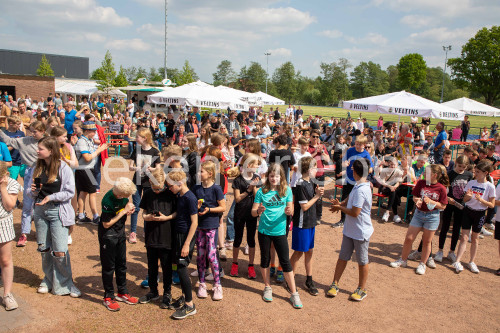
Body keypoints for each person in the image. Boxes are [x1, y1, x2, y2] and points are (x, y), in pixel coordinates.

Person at [29, 136, 81, 297]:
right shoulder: (36, 167)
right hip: (40, 211)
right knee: (44, 249)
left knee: (60, 250)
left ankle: (66, 283)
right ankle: (48, 280)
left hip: (58, 211)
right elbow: (29, 193)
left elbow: (69, 192)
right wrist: (33, 191)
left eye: (40, 149)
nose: (37, 151)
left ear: (51, 151)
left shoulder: (63, 168)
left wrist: (50, 197)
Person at [251, 163, 302, 309]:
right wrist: (258, 210)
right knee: (265, 259)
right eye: (272, 176)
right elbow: (253, 212)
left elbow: (291, 209)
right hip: (264, 231)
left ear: (282, 177)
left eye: (277, 176)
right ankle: (267, 287)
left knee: (285, 261)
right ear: (268, 176)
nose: (274, 178)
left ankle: (294, 293)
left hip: (280, 231)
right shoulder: (261, 191)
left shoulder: (286, 191)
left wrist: (289, 211)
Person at [390, 164, 449, 275]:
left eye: (427, 173)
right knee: (409, 238)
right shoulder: (421, 183)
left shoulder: (441, 188)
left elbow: (443, 206)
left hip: (432, 216)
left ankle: (422, 264)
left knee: (427, 242)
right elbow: (415, 196)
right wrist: (417, 200)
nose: (424, 174)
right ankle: (403, 260)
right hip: (418, 214)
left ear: (434, 175)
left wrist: (431, 202)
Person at [328, 158, 373, 301]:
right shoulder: (359, 184)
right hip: (350, 230)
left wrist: (339, 208)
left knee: (362, 261)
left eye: (353, 169)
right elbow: (349, 198)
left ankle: (362, 289)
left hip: (360, 232)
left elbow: (355, 213)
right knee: (342, 257)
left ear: (356, 172)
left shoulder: (362, 190)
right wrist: (341, 203)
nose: (351, 171)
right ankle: (335, 283)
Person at [0, 121, 45, 247]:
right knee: (27, 203)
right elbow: (8, 140)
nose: (32, 133)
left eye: (35, 131)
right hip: (30, 172)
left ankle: (41, 232)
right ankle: (24, 233)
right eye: (31, 130)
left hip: (42, 173)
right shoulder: (24, 140)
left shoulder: (47, 142)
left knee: (40, 202)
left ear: (42, 131)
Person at [138, 168, 177, 307]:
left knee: (166, 267)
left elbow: (177, 213)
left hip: (166, 236)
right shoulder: (148, 193)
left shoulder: (170, 194)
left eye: (159, 188)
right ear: (150, 182)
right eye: (154, 188)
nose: (157, 191)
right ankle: (153, 291)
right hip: (151, 235)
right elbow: (143, 212)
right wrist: (146, 217)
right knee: (152, 266)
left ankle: (167, 293)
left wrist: (167, 217)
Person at [99, 177, 138, 311]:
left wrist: (129, 210)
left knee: (122, 264)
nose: (128, 198)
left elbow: (124, 209)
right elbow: (106, 223)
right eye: (126, 196)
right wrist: (123, 212)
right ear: (120, 194)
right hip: (108, 236)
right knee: (109, 267)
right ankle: (108, 297)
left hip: (120, 233)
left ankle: (122, 292)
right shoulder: (107, 200)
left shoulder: (124, 197)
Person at [453, 160, 495, 274]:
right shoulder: (471, 183)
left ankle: (471, 262)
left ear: (485, 173)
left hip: (480, 213)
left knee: (475, 238)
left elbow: (492, 205)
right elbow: (465, 200)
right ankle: (457, 261)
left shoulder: (490, 186)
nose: (475, 174)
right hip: (468, 211)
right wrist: (467, 196)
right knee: (464, 237)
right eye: (475, 171)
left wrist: (481, 200)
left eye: (478, 172)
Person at [166, 170, 198, 319]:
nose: (169, 188)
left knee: (182, 267)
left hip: (186, 236)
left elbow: (194, 222)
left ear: (180, 183)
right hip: (178, 234)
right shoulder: (180, 195)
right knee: (176, 265)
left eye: (171, 186)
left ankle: (190, 305)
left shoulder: (190, 198)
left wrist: (186, 244)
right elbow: (179, 214)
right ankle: (185, 297)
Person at [290, 156, 323, 296]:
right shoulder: (300, 184)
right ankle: (289, 278)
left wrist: (318, 195)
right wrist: (316, 197)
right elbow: (304, 207)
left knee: (309, 251)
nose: (317, 170)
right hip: (302, 224)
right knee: (298, 252)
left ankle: (309, 280)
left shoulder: (311, 182)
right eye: (315, 167)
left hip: (310, 222)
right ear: (309, 170)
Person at [193, 161, 226, 301]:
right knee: (200, 255)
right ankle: (202, 284)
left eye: (201, 172)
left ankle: (217, 284)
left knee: (212, 255)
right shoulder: (196, 188)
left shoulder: (216, 189)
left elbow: (223, 207)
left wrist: (209, 210)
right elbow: (192, 205)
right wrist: (197, 206)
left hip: (212, 225)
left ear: (210, 173)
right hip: (199, 226)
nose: (199, 174)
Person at [434, 155, 472, 263]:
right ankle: (440, 250)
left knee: (456, 228)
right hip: (448, 203)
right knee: (445, 226)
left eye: (464, 167)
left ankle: (452, 251)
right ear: (455, 163)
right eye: (460, 166)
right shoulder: (449, 173)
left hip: (461, 205)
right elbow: (442, 189)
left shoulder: (469, 175)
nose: (461, 169)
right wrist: (447, 198)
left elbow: (469, 189)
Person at [228, 153, 260, 279]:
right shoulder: (238, 180)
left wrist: (255, 187)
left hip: (252, 213)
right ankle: (234, 263)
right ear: (249, 165)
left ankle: (251, 266)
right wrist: (248, 189)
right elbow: (237, 199)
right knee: (238, 238)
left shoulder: (257, 178)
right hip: (240, 213)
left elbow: (258, 196)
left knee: (251, 239)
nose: (257, 166)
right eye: (256, 164)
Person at [128, 128, 160, 244]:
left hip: (149, 182)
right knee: (135, 207)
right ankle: (133, 232)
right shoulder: (136, 150)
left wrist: (151, 169)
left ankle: (147, 231)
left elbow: (158, 167)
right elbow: (130, 166)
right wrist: (136, 168)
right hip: (136, 181)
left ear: (145, 138)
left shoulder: (154, 151)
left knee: (147, 208)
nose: (136, 139)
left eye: (137, 137)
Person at [334, 135, 373, 228]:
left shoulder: (366, 155)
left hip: (359, 182)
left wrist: (360, 168)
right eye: (356, 144)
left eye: (359, 144)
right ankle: (342, 220)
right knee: (344, 199)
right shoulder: (350, 151)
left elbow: (371, 169)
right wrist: (345, 164)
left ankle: (355, 221)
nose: (357, 146)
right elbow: (342, 162)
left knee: (356, 201)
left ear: (364, 145)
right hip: (349, 179)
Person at [74, 121, 108, 225]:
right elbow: (87, 158)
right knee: (92, 193)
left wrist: (97, 149)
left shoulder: (88, 140)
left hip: (86, 170)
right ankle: (95, 216)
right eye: (93, 131)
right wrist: (99, 150)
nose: (95, 133)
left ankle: (81, 215)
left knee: (83, 193)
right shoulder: (82, 142)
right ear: (88, 131)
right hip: (86, 169)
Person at [0, 161, 21, 310]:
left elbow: (9, 205)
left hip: (3, 223)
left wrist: (2, 187)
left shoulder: (12, 184)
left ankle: (7, 294)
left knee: (6, 259)